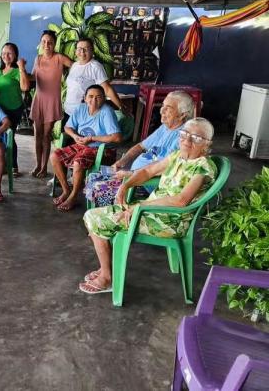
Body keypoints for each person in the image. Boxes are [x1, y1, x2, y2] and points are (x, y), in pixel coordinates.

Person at [80, 118, 217, 294]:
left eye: (196, 138)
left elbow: (181, 200)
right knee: (93, 215)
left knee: (94, 218)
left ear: (207, 144)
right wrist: (125, 186)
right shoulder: (178, 156)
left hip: (170, 220)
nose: (187, 140)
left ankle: (107, 277)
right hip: (151, 210)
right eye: (184, 134)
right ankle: (106, 268)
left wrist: (140, 206)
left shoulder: (203, 167)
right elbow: (147, 171)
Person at [85, 91, 194, 207]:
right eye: (162, 106)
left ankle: (111, 216)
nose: (162, 111)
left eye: (168, 108)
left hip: (144, 184)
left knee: (98, 189)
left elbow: (162, 168)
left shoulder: (183, 138)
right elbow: (140, 146)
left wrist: (130, 174)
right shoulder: (165, 127)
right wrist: (122, 162)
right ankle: (102, 214)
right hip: (133, 177)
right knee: (92, 179)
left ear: (182, 114)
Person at [50, 85, 122, 211]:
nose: (94, 100)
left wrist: (92, 138)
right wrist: (74, 136)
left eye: (98, 97)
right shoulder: (80, 109)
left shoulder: (107, 112)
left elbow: (116, 137)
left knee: (78, 162)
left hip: (101, 150)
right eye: (91, 96)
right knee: (55, 156)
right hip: (81, 145)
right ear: (85, 98)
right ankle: (66, 190)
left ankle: (73, 196)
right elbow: (68, 127)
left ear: (104, 99)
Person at [18, 30, 73, 178]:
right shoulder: (38, 59)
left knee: (46, 135)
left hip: (52, 101)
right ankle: (37, 164)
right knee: (37, 135)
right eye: (44, 42)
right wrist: (22, 69)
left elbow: (76, 66)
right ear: (41, 43)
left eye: (50, 42)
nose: (47, 44)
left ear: (54, 44)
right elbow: (33, 78)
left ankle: (44, 167)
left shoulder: (59, 58)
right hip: (39, 100)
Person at [63, 38, 122, 127]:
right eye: (79, 49)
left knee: (82, 139)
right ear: (76, 51)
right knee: (68, 139)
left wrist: (121, 107)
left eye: (86, 49)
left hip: (84, 113)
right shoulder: (74, 65)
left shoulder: (96, 66)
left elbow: (107, 88)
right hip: (68, 111)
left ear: (92, 51)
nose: (82, 52)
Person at [0, 42, 29, 177]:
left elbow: (25, 87)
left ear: (15, 55)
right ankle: (4, 164)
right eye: (3, 53)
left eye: (9, 53)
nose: (5, 56)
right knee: (1, 137)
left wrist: (21, 67)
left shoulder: (16, 71)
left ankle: (13, 165)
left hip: (13, 108)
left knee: (9, 136)